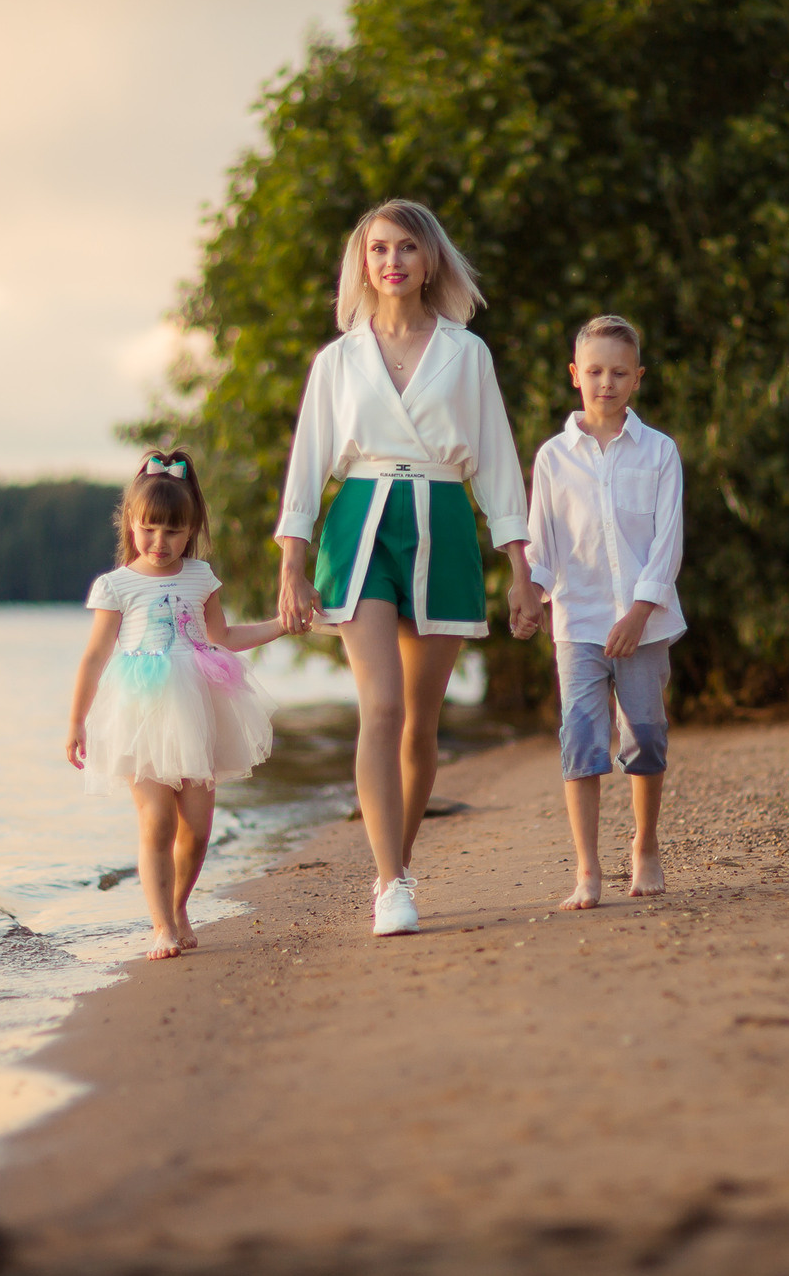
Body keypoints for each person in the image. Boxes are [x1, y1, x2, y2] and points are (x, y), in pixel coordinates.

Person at [275, 200, 543, 937]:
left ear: (430, 261)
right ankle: (390, 883)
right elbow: (307, 464)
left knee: (420, 728)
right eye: (378, 249)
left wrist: (522, 567)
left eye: (406, 248)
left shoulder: (467, 353)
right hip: (360, 522)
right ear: (362, 263)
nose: (392, 261)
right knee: (381, 710)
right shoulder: (337, 360)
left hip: (443, 520)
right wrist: (291, 564)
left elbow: (494, 461)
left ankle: (400, 858)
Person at [67, 450, 283, 960]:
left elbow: (223, 637)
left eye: (172, 531)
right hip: (140, 711)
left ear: (191, 531)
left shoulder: (200, 578)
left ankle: (180, 904)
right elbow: (95, 656)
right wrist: (77, 721)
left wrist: (279, 624)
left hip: (199, 702)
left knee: (200, 828)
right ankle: (162, 925)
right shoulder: (117, 585)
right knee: (157, 821)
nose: (159, 542)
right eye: (149, 529)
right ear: (131, 526)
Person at [525, 315, 686, 910]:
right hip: (579, 623)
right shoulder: (552, 458)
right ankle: (587, 870)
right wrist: (531, 599)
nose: (606, 383)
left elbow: (666, 544)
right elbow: (543, 548)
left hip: (644, 624)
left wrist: (639, 613)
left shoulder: (660, 452)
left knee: (644, 734)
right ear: (575, 375)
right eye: (594, 371)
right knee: (582, 741)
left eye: (619, 372)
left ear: (637, 378)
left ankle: (645, 847)